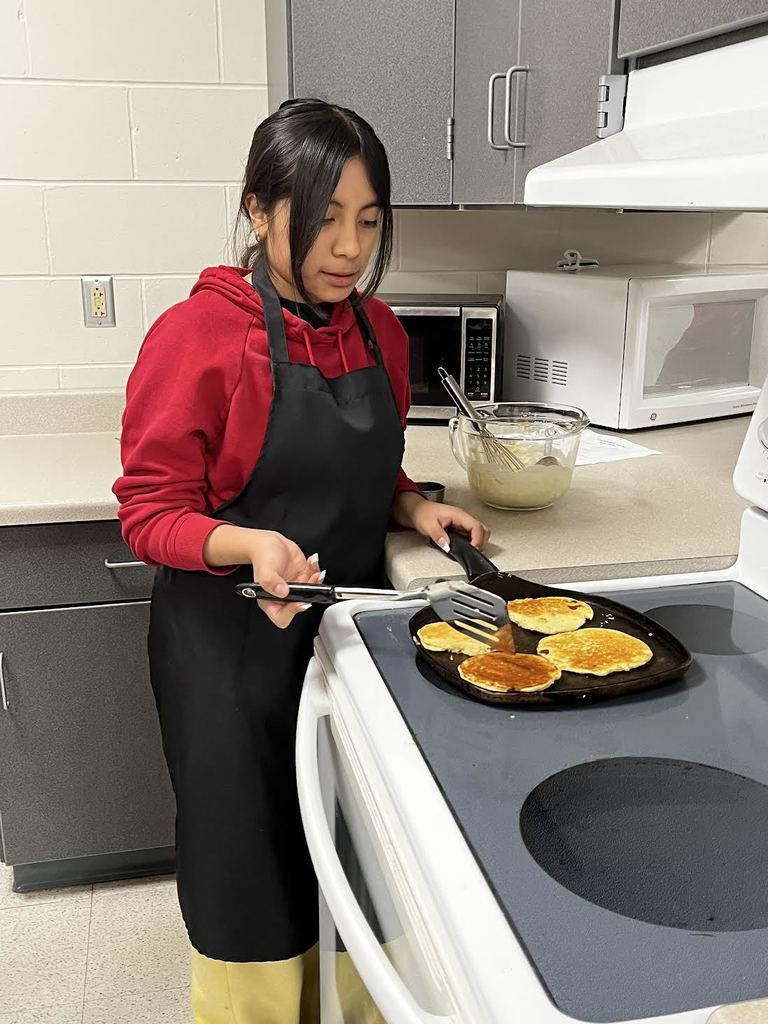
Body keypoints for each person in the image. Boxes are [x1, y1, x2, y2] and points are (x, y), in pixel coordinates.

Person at [113, 98, 490, 1024]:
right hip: (228, 655)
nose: (348, 247)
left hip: (350, 642)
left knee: (363, 855)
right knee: (251, 870)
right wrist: (247, 544)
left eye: (367, 221)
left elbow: (372, 462)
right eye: (322, 218)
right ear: (257, 209)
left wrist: (413, 503)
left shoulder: (381, 333)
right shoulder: (198, 338)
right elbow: (148, 512)